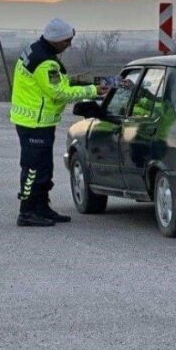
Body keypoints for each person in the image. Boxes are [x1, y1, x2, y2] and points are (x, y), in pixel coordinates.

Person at [9, 18, 109, 227]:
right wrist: (92, 91)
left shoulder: (36, 50)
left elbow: (56, 83)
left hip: (35, 120)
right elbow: (58, 91)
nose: (68, 45)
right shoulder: (46, 62)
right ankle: (26, 211)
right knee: (33, 169)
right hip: (34, 122)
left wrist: (80, 82)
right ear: (55, 40)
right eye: (66, 41)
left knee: (44, 168)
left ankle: (41, 207)